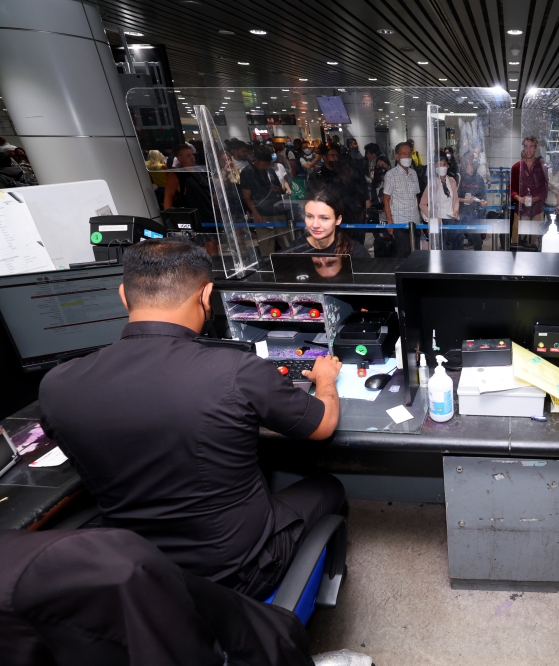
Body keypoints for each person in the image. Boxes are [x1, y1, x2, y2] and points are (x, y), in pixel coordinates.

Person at [38, 238, 347, 600]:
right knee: (328, 487)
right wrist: (325, 379)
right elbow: (323, 424)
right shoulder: (236, 371)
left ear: (124, 296)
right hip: (237, 573)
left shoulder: (57, 386)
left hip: (136, 570)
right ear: (206, 296)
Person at [282, 186, 371, 260]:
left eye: (324, 218)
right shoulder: (294, 251)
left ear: (338, 220)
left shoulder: (355, 253)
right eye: (310, 216)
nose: (315, 225)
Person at [382, 141, 420, 257]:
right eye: (404, 154)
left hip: (414, 221)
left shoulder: (414, 173)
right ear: (397, 156)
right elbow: (386, 199)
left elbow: (416, 196)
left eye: (409, 154)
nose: (407, 157)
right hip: (399, 222)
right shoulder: (391, 175)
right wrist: (390, 222)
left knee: (416, 254)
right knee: (402, 255)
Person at [163, 143, 214, 225]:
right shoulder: (176, 175)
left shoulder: (199, 171)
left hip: (209, 213)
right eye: (188, 156)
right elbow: (168, 196)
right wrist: (172, 219)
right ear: (179, 158)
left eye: (192, 155)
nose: (192, 157)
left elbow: (207, 192)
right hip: (194, 218)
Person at [509, 136, 548, 239]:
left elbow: (544, 191)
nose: (528, 149)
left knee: (535, 243)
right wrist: (520, 199)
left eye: (531, 146)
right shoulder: (516, 167)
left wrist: (534, 199)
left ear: (535, 148)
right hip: (521, 210)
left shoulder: (542, 168)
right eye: (526, 146)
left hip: (537, 210)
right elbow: (511, 189)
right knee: (517, 242)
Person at [420, 153, 461, 249]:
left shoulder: (452, 181)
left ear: (447, 166)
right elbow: (422, 204)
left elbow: (455, 199)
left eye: (443, 165)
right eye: (439, 165)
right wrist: (433, 217)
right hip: (439, 221)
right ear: (434, 167)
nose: (441, 167)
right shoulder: (432, 183)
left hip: (452, 220)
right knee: (441, 249)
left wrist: (455, 210)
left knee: (454, 248)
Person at [240, 144, 285, 224]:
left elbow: (280, 187)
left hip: (277, 210)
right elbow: (247, 197)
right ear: (256, 160)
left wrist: (279, 190)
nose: (266, 166)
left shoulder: (270, 170)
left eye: (268, 164)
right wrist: (257, 215)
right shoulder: (247, 172)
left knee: (284, 235)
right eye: (264, 164)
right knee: (267, 235)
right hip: (261, 212)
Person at [456, 153, 487, 251]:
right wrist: (464, 200)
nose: (476, 161)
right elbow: (452, 197)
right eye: (474, 159)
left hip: (473, 213)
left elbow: (482, 196)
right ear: (468, 161)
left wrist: (482, 202)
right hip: (459, 213)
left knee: (477, 240)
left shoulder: (479, 179)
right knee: (458, 240)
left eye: (477, 159)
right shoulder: (459, 177)